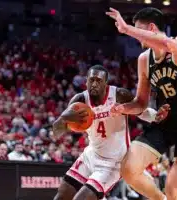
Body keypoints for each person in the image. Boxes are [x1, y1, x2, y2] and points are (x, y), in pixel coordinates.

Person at [107, 7, 177, 200]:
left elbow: (169, 45)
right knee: (129, 169)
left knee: (173, 188)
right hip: (165, 124)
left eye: (139, 31)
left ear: (151, 28)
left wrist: (127, 28)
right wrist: (123, 108)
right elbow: (141, 102)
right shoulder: (144, 60)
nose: (137, 38)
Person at [52, 65, 170, 200]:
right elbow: (57, 131)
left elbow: (141, 111)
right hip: (91, 155)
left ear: (105, 83)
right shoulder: (80, 100)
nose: (94, 84)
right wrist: (64, 118)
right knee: (61, 197)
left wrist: (156, 116)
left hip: (114, 161)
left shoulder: (119, 95)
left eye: (98, 81)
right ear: (86, 82)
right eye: (92, 80)